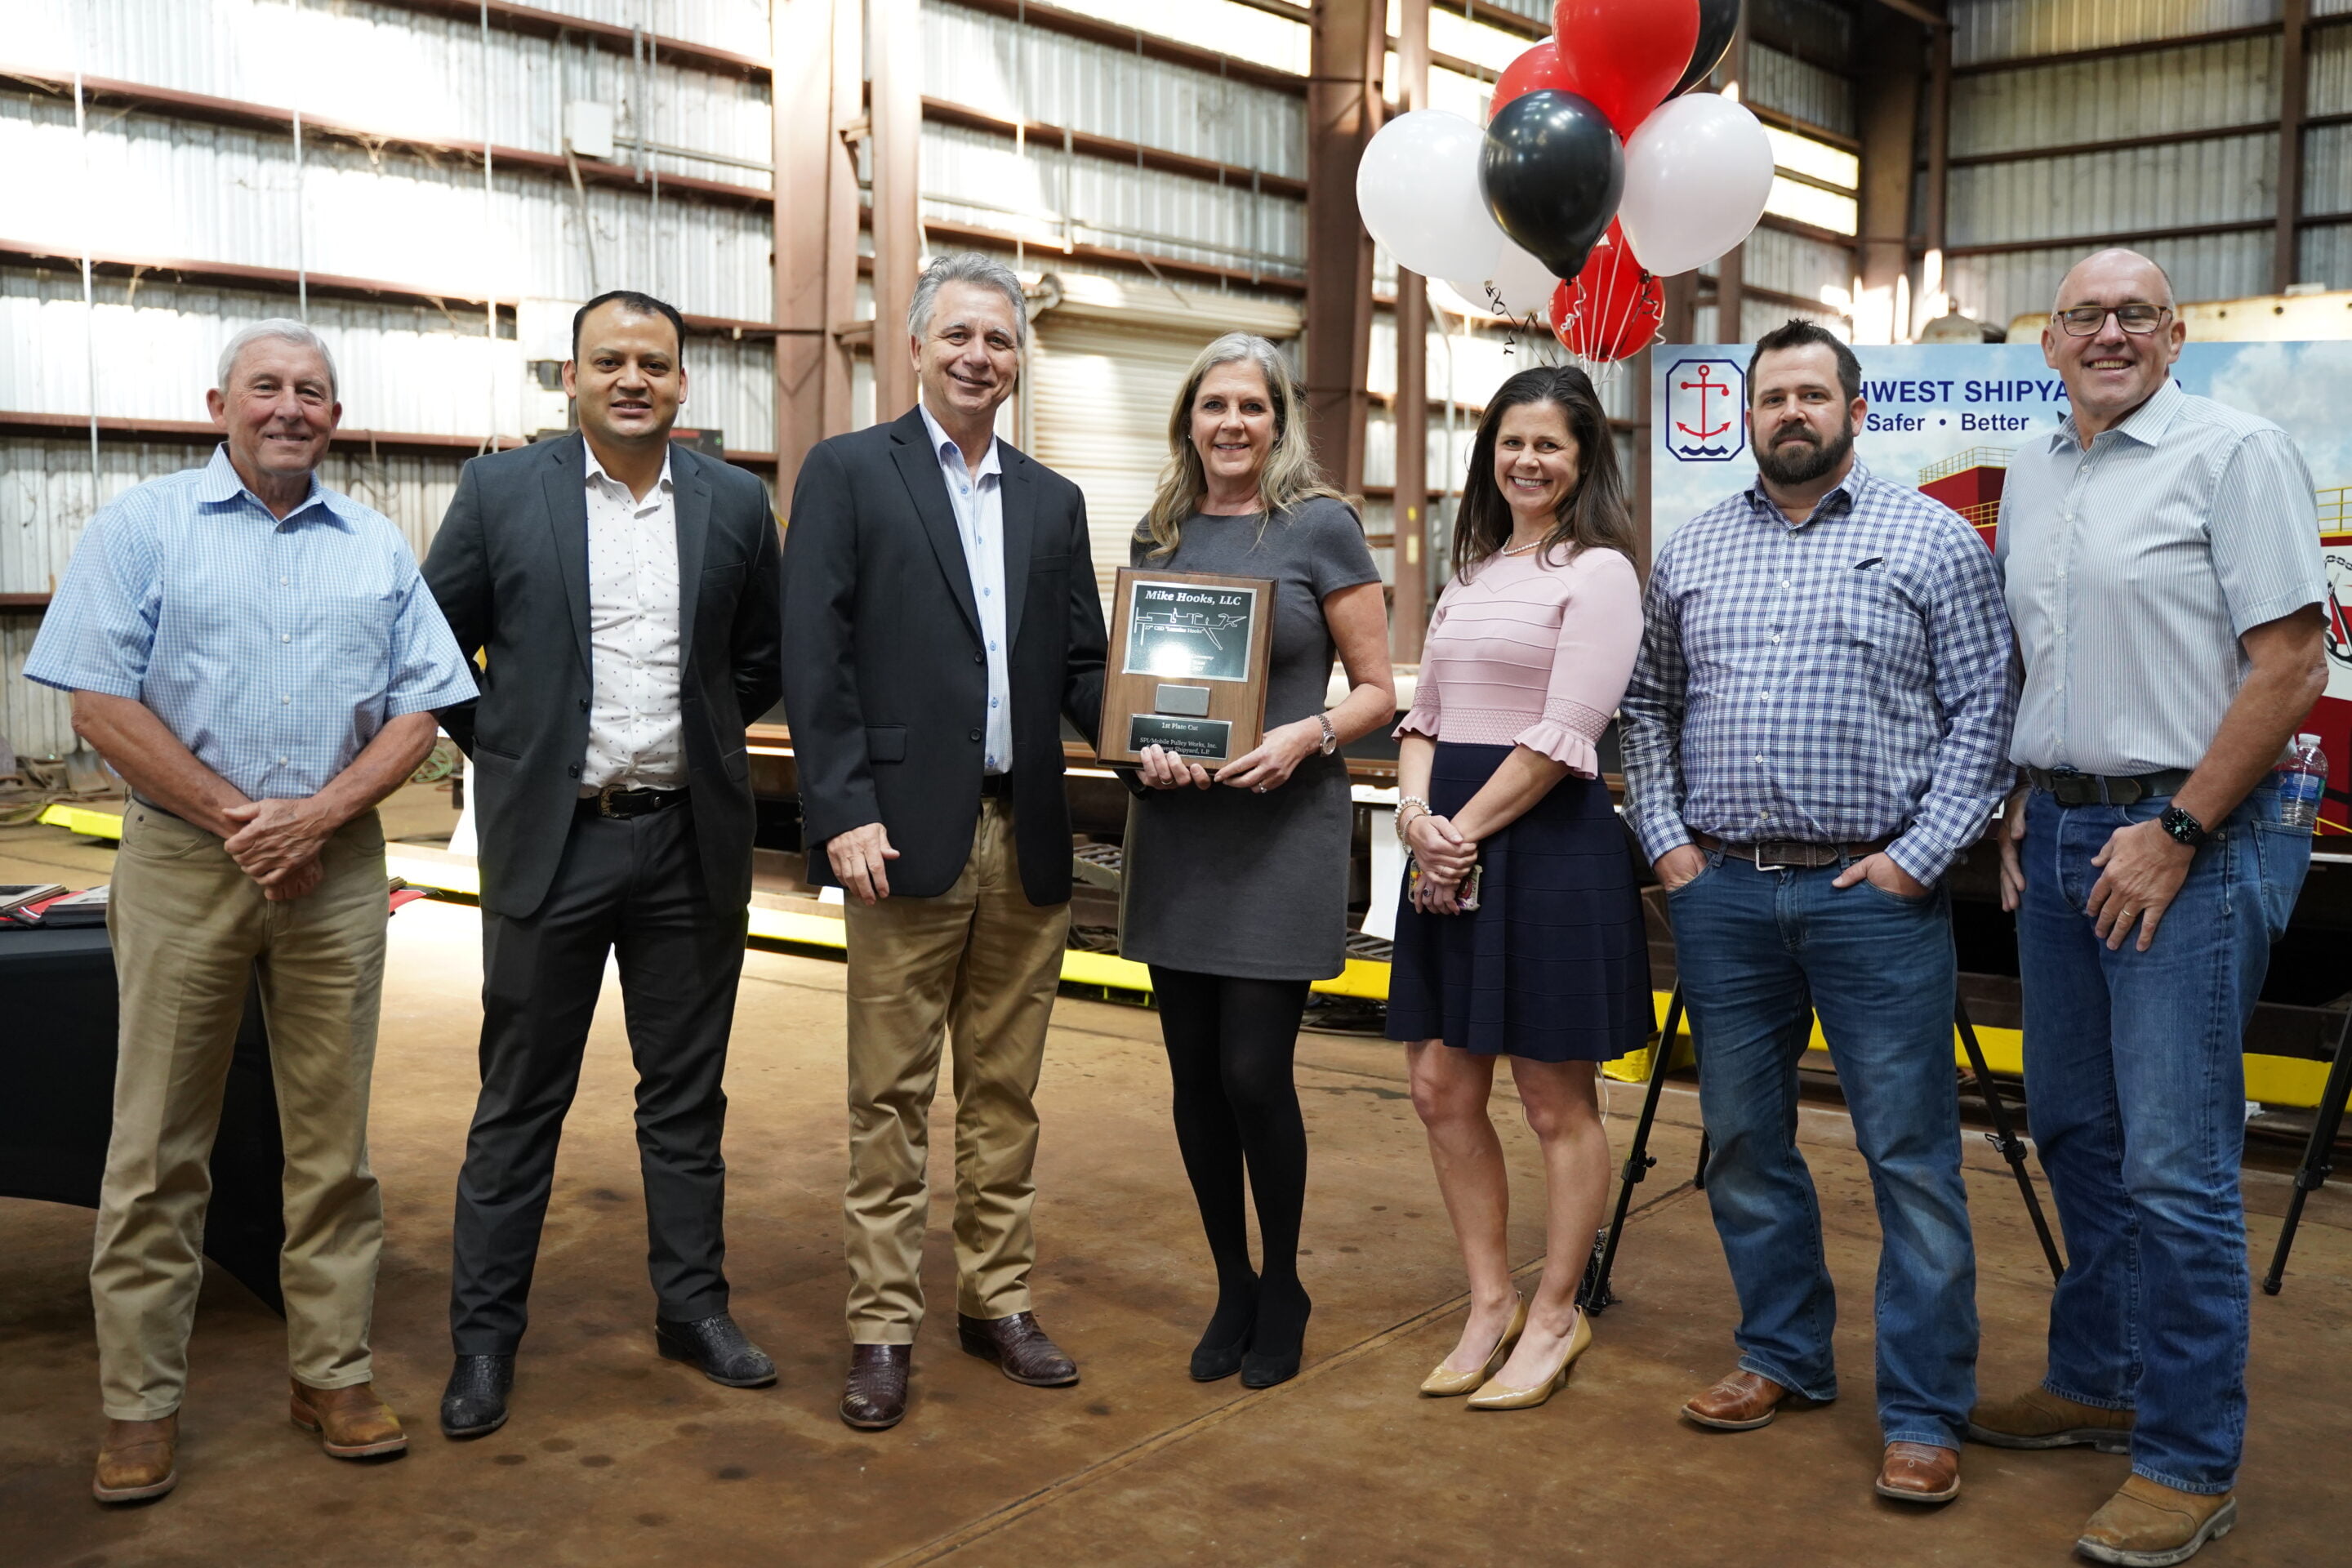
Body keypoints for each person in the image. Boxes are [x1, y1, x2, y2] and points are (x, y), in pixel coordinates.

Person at [25, 320, 476, 1503]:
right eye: (267, 387)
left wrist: (315, 818)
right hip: (186, 862)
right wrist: (245, 820)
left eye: (313, 392)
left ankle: (330, 1371)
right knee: (158, 1147)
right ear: (217, 400)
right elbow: (96, 705)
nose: (290, 407)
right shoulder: (142, 528)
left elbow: (421, 712)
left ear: (336, 417)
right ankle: (140, 1403)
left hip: (334, 872)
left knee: (330, 1149)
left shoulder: (376, 547)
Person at [1619, 319, 2018, 1501]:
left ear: (1856, 411)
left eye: (1812, 394)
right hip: (1727, 894)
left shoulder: (1934, 542)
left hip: (1873, 898)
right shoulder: (1693, 549)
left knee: (1910, 1158)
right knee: (1743, 1142)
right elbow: (1645, 708)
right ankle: (1783, 1356)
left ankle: (1926, 1410)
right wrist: (1671, 845)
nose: (1791, 413)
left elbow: (1984, 715)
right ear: (1746, 419)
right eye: (1771, 398)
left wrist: (1918, 860)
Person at [1974, 250, 2328, 1567]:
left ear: (2175, 337)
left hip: (2195, 829)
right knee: (2075, 1121)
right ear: (2051, 342)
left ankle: (2187, 1459)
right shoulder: (2038, 473)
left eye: (2136, 314)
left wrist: (2177, 833)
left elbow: (2290, 665)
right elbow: (2050, 657)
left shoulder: (2233, 456)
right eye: (2085, 315)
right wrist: (2026, 803)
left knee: (2177, 1163)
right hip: (2063, 826)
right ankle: (2100, 1376)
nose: (2110, 331)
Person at [421, 289, 786, 1439]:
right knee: (519, 1102)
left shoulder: (733, 503)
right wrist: (517, 751)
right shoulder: (501, 492)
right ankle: (484, 1342)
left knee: (685, 1098)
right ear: (569, 378)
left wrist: (705, 745)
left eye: (656, 364)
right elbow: (434, 643)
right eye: (610, 361)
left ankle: (693, 1310)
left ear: (685, 385)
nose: (634, 379)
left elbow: (761, 657)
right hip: (555, 840)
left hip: (687, 841)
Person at [781, 252, 1108, 1432]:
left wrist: (1160, 730)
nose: (980, 356)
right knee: (889, 1098)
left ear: (1020, 361)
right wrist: (842, 809)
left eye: (1001, 341)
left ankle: (996, 1300)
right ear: (913, 347)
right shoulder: (848, 475)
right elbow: (813, 659)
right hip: (899, 838)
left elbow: (1080, 668)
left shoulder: (1053, 499)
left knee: (1006, 1093)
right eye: (959, 335)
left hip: (1026, 836)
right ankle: (880, 1327)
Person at [1123, 333, 1393, 1388]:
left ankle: (1284, 1279)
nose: (1232, 423)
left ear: (1280, 422)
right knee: (1194, 1082)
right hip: (1181, 832)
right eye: (1213, 406)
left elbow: (1375, 689)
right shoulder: (1161, 532)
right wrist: (1149, 749)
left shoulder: (1319, 527)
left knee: (1252, 1072)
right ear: (1188, 420)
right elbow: (1144, 684)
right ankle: (1230, 1281)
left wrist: (1304, 737)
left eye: (1253, 406)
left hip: (1281, 828)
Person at [1384, 364, 1649, 1412]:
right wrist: (1416, 824)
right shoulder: (1472, 573)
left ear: (1583, 461)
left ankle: (1555, 1311)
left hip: (1541, 851)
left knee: (1551, 1099)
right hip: (1449, 839)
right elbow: (1426, 717)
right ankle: (1488, 1300)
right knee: (1439, 1087)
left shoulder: (1601, 574)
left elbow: (1564, 733)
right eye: (1511, 442)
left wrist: (1460, 833)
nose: (1527, 460)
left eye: (1549, 444)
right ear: (1489, 454)